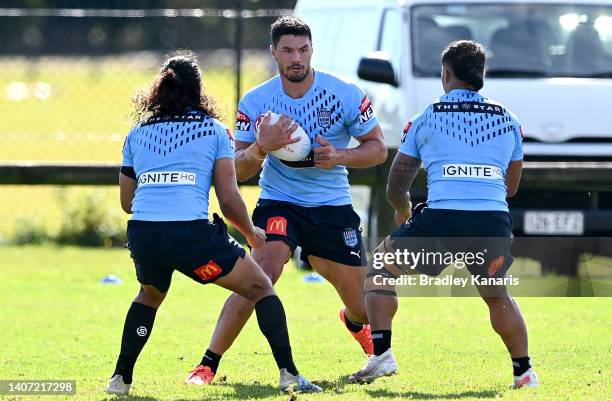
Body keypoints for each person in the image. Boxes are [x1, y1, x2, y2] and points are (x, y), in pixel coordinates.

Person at [106, 51, 321, 395]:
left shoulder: (137, 133)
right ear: (199, 90)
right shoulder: (213, 131)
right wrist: (253, 234)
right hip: (191, 235)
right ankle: (290, 375)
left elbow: (127, 202)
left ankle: (120, 379)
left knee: (149, 295)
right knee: (261, 287)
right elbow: (229, 198)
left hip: (144, 233)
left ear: (159, 89)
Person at [188, 16, 388, 383]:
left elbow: (377, 150)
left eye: (303, 49)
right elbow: (239, 170)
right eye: (288, 50)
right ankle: (207, 363)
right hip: (279, 201)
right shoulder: (257, 101)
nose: (296, 57)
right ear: (274, 53)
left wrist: (341, 157)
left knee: (361, 303)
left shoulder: (343, 92)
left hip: (331, 205)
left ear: (312, 50)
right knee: (260, 274)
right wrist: (263, 147)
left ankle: (353, 322)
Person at [349, 40, 539, 389]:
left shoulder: (427, 116)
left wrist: (403, 212)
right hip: (493, 221)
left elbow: (397, 182)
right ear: (481, 75)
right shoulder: (509, 120)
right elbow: (510, 188)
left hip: (443, 219)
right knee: (497, 295)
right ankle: (524, 372)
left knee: (380, 268)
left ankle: (381, 355)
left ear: (446, 74)